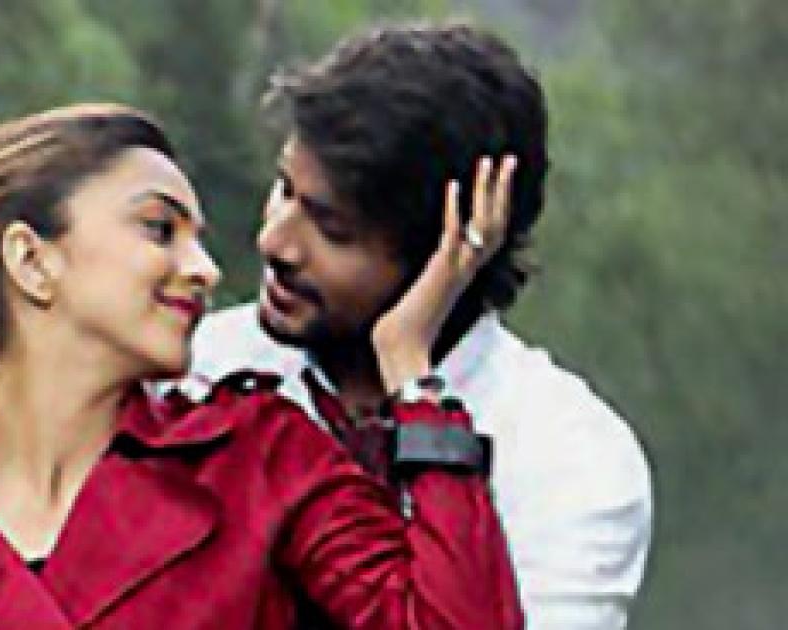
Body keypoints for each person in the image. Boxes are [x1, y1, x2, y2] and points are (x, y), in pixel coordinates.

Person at [0, 103, 523, 629]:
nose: (203, 269)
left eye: (197, 238)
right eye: (159, 229)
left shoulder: (259, 458)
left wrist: (411, 368)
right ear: (32, 262)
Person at [179, 22, 653, 630]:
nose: (275, 241)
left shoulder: (565, 456)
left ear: (447, 249)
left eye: (331, 229)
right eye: (284, 190)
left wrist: (411, 380)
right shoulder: (198, 370)